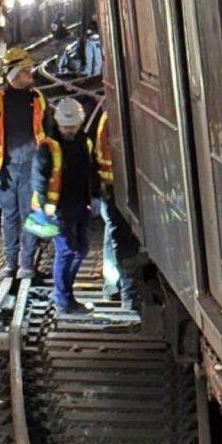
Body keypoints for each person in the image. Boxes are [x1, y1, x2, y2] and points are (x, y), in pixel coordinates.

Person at [0, 48, 51, 279]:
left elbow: (49, 135)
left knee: (29, 215)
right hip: (6, 169)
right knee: (9, 215)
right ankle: (11, 263)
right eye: (26, 70)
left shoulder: (38, 99)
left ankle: (26, 264)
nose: (30, 73)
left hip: (32, 168)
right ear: (14, 73)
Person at [32, 98, 95, 314]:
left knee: (81, 250)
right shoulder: (48, 146)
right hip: (58, 207)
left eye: (73, 126)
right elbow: (39, 179)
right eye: (66, 127)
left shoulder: (84, 141)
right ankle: (63, 299)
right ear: (59, 124)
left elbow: (89, 170)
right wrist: (45, 206)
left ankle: (64, 293)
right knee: (66, 251)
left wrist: (95, 195)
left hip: (79, 203)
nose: (69, 130)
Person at [94, 110, 138, 311]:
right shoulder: (110, 119)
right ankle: (126, 293)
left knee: (112, 236)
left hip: (113, 188)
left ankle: (112, 286)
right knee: (121, 239)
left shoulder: (107, 118)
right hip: (113, 189)